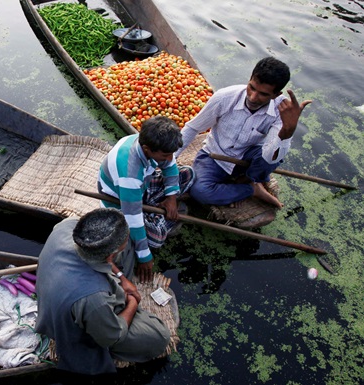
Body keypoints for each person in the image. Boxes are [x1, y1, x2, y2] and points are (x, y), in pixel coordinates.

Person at [34, 208, 171, 375]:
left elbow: (103, 257)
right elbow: (112, 336)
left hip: (73, 284)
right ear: (109, 257)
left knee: (128, 250)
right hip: (76, 319)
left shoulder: (65, 226)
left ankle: (119, 273)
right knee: (159, 336)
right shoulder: (94, 299)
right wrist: (133, 302)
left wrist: (122, 278)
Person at [175, 56, 312, 209]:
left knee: (272, 157)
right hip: (215, 155)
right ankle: (252, 189)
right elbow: (193, 128)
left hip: (249, 159)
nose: (253, 97)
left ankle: (250, 178)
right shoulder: (225, 97)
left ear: (276, 95)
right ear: (249, 80)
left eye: (263, 94)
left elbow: (269, 156)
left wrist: (288, 131)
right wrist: (170, 159)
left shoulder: (283, 111)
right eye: (252, 87)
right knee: (200, 192)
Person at [98, 116, 194, 283]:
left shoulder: (151, 146)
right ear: (147, 149)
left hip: (143, 187)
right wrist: (145, 258)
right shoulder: (130, 174)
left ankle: (161, 212)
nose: (170, 158)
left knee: (188, 173)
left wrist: (171, 198)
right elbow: (133, 220)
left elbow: (170, 165)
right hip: (122, 204)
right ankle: (158, 218)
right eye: (165, 155)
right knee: (156, 240)